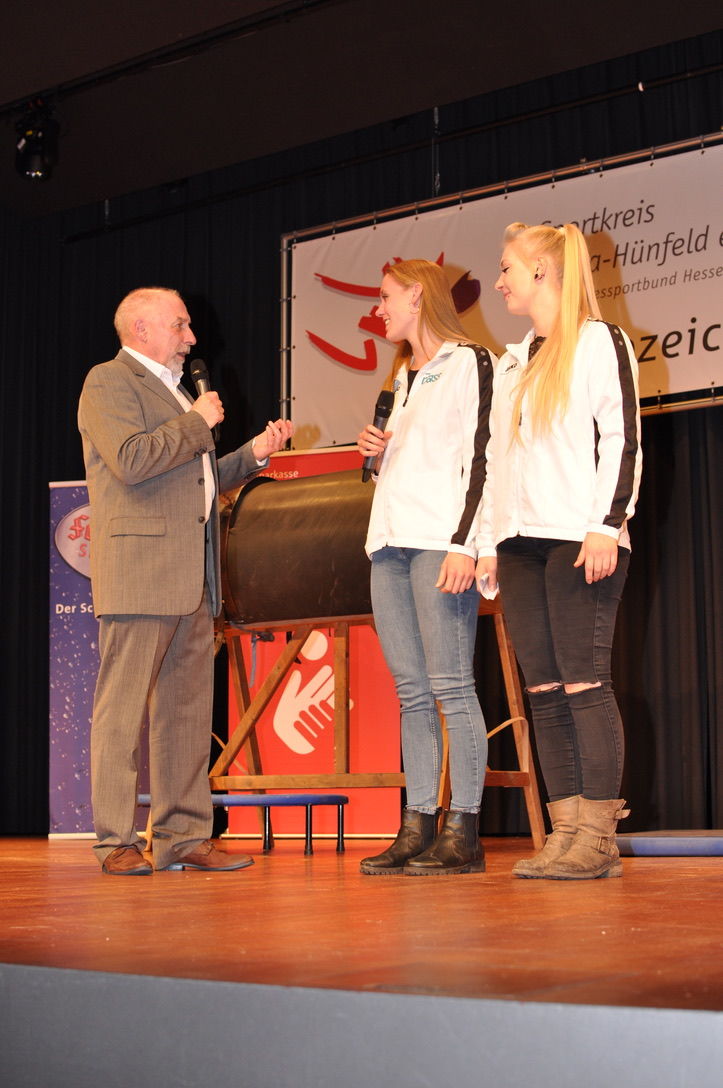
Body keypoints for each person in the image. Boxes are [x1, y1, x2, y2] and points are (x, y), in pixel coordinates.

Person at [78, 287, 293, 875]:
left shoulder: (176, 392)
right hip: (140, 574)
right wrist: (197, 422)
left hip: (193, 577)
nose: (192, 338)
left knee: (187, 713)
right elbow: (131, 460)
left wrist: (252, 454)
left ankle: (183, 836)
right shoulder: (109, 381)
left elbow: (194, 482)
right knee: (122, 713)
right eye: (180, 326)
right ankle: (115, 841)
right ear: (141, 329)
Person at [476, 223, 642, 880]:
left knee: (584, 684)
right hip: (519, 545)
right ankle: (565, 832)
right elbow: (495, 461)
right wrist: (489, 542)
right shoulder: (513, 361)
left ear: (542, 272)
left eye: (507, 268)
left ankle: (597, 838)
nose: (498, 282)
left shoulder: (599, 342)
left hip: (579, 538)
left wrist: (606, 524)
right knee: (543, 691)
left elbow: (622, 438)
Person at [356, 259, 495, 875]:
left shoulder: (470, 362)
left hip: (440, 541)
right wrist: (376, 456)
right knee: (412, 693)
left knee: (451, 687)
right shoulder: (400, 377)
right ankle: (417, 825)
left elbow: (485, 456)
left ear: (417, 295)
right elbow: (404, 467)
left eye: (386, 296)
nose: (379, 308)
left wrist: (468, 544)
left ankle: (463, 828)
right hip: (388, 543)